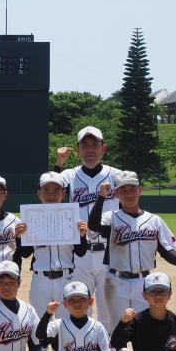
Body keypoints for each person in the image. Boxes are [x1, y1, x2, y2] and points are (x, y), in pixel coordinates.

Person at [88, 171, 176, 325]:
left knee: (145, 328)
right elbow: (93, 226)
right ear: (116, 193)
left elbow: (165, 250)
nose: (128, 194)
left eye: (132, 189)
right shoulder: (111, 218)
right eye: (123, 190)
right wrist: (101, 197)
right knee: (117, 328)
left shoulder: (154, 220)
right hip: (115, 282)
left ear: (140, 190)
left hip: (144, 282)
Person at [54, 126, 121, 335]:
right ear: (78, 149)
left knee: (108, 312)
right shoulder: (68, 175)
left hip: (109, 251)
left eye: (95, 144)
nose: (90, 149)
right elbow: (49, 190)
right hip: (79, 252)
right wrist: (58, 165)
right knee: (79, 307)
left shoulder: (116, 175)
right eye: (85, 145)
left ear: (104, 148)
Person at [16, 171, 88, 319]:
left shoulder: (72, 217)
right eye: (46, 190)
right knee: (39, 325)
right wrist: (19, 237)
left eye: (56, 190)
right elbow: (25, 253)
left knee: (65, 325)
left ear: (63, 193)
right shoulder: (31, 218)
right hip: (40, 279)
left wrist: (82, 236)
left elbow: (81, 252)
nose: (51, 195)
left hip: (66, 278)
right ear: (39, 193)